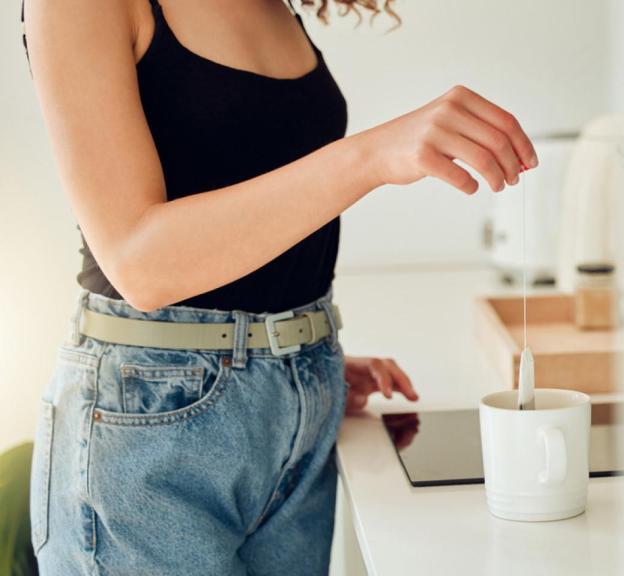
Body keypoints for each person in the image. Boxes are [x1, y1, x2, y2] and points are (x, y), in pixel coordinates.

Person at [21, 0, 537, 573]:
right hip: (148, 433)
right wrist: (372, 154)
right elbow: (140, 264)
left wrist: (281, 358)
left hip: (298, 408)